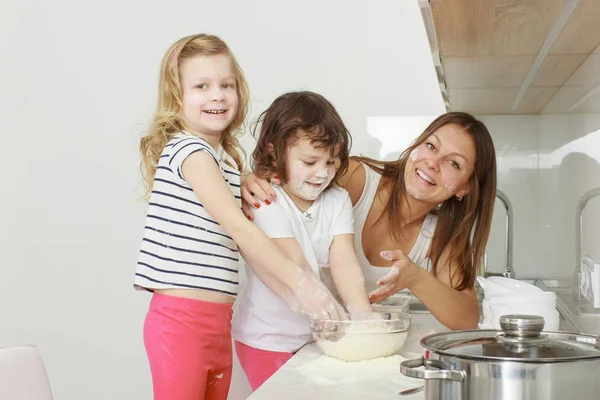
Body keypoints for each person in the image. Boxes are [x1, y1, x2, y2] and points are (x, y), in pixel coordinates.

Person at [134, 34, 342, 400]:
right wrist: (302, 283)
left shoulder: (225, 163)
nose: (217, 95)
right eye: (201, 86)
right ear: (177, 95)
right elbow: (238, 229)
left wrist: (244, 176)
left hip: (217, 322)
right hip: (180, 321)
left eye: (225, 85)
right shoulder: (190, 151)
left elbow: (245, 244)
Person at [242, 112, 498, 330]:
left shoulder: (440, 235)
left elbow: (466, 319)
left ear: (465, 188)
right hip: (277, 329)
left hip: (332, 337)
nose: (432, 162)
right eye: (431, 146)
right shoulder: (356, 179)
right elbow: (289, 182)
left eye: (453, 163)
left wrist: (415, 278)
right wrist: (250, 179)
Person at [231, 91, 374, 390]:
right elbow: (294, 268)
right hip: (267, 340)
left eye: (332, 162)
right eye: (310, 161)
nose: (322, 173)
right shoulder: (265, 199)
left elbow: (345, 262)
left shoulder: (337, 200)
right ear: (274, 152)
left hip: (314, 338)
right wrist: (338, 325)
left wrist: (363, 318)